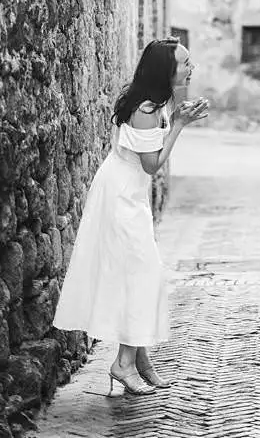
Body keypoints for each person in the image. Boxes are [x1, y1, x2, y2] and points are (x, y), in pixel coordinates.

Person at [51, 38, 209, 396]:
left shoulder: (155, 103)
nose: (191, 68)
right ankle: (123, 364)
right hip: (121, 199)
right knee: (142, 277)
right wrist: (179, 126)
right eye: (185, 62)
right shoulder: (147, 108)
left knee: (138, 274)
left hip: (127, 194)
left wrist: (177, 118)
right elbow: (152, 165)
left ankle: (140, 360)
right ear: (166, 70)